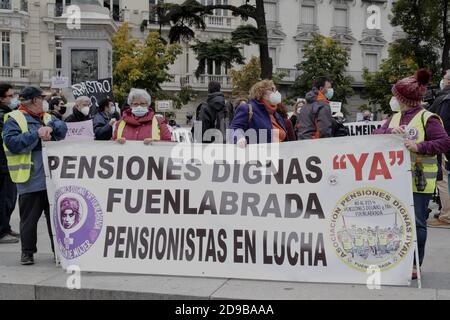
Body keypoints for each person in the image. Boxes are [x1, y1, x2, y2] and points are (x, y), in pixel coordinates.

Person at [374, 69, 450, 278]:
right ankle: (396, 259)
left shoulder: (428, 118)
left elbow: (444, 142)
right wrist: (389, 132)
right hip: (396, 178)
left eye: (396, 96)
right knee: (395, 221)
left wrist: (419, 146)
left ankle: (415, 264)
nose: (394, 99)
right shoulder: (395, 117)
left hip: (420, 179)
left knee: (417, 222)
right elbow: (376, 135)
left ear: (403, 99)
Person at [3, 86, 67, 265]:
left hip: (52, 178)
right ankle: (27, 252)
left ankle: (59, 251)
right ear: (34, 100)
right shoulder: (14, 118)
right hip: (30, 178)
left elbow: (63, 128)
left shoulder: (46, 117)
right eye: (41, 98)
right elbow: (12, 143)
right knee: (29, 220)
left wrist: (50, 127)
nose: (44, 101)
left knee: (55, 218)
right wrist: (37, 134)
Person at [229, 80, 287, 146]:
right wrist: (240, 138)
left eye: (275, 90)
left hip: (277, 154)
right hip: (255, 154)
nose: (276, 93)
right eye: (272, 89)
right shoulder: (247, 109)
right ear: (261, 92)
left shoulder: (276, 114)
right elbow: (235, 128)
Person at [427, 70, 450, 228]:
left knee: (443, 181)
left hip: (446, 148)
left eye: (444, 78)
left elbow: (441, 125)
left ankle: (447, 216)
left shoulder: (445, 100)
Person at [0, 83, 19, 244]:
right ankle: (2, 231)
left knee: (8, 198)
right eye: (10, 96)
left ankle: (5, 227)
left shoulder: (7, 113)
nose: (14, 98)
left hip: (6, 162)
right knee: (5, 198)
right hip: (3, 163)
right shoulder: (3, 115)